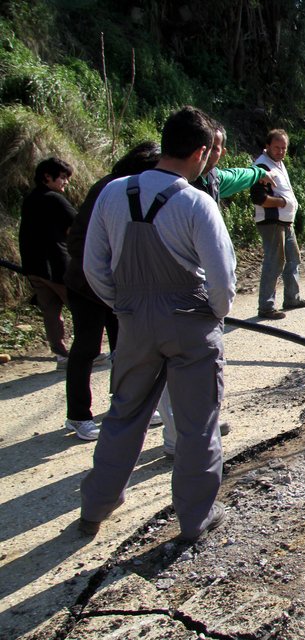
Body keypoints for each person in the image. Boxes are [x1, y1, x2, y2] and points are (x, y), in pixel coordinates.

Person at [80, 106, 235, 543]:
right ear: (201, 153)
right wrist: (214, 314)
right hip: (190, 322)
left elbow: (94, 266)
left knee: (124, 414)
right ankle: (195, 519)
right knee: (196, 424)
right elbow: (222, 280)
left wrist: (126, 305)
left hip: (132, 323)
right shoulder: (196, 202)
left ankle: (97, 504)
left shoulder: (113, 193)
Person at [155, 122, 276, 456]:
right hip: (184, 296)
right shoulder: (188, 196)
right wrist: (218, 306)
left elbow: (239, 175)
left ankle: (189, 430)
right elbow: (218, 266)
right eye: (213, 148)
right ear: (199, 150)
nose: (216, 154)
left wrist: (258, 173)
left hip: (166, 300)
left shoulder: (211, 180)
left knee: (191, 375)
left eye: (220, 147)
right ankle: (179, 439)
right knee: (172, 374)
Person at [63, 142, 161, 441]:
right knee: (87, 349)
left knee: (127, 347)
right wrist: (103, 281)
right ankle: (78, 415)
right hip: (87, 285)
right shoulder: (110, 190)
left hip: (119, 286)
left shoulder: (136, 191)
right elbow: (81, 242)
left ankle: (124, 402)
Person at [19, 157, 76, 369]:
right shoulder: (55, 199)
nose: (65, 182)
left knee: (51, 313)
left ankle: (61, 355)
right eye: (62, 178)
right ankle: (89, 352)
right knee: (82, 307)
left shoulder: (30, 199)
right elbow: (76, 228)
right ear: (47, 177)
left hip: (34, 267)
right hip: (57, 266)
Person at [250, 129, 305, 320]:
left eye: (284, 148)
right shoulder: (262, 166)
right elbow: (258, 198)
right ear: (267, 146)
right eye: (277, 147)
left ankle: (292, 298)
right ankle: (266, 307)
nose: (281, 151)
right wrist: (282, 203)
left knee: (293, 258)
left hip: (285, 221)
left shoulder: (278, 164)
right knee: (274, 262)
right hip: (272, 222)